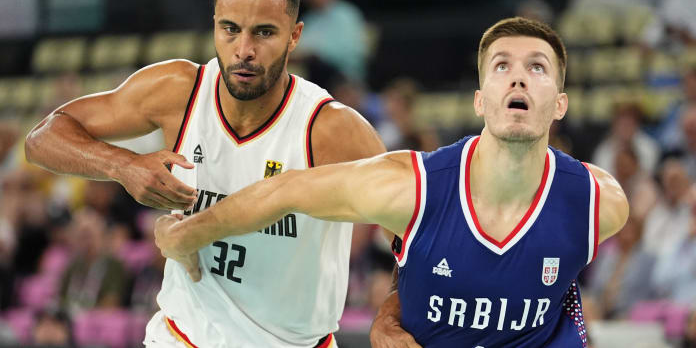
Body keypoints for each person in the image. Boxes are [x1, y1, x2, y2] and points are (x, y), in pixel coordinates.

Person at [154, 17, 629, 347]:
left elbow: (547, 276)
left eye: (537, 68)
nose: (519, 79)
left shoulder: (598, 203)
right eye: (502, 66)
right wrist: (187, 234)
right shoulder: (413, 185)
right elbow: (285, 191)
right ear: (480, 100)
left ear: (561, 104)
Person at [25, 0, 385, 348]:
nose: (243, 49)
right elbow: (43, 137)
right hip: (183, 336)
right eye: (230, 29)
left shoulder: (330, 128)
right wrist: (123, 165)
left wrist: (394, 310)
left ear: (295, 35)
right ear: (213, 24)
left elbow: (420, 223)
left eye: (264, 33)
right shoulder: (178, 91)